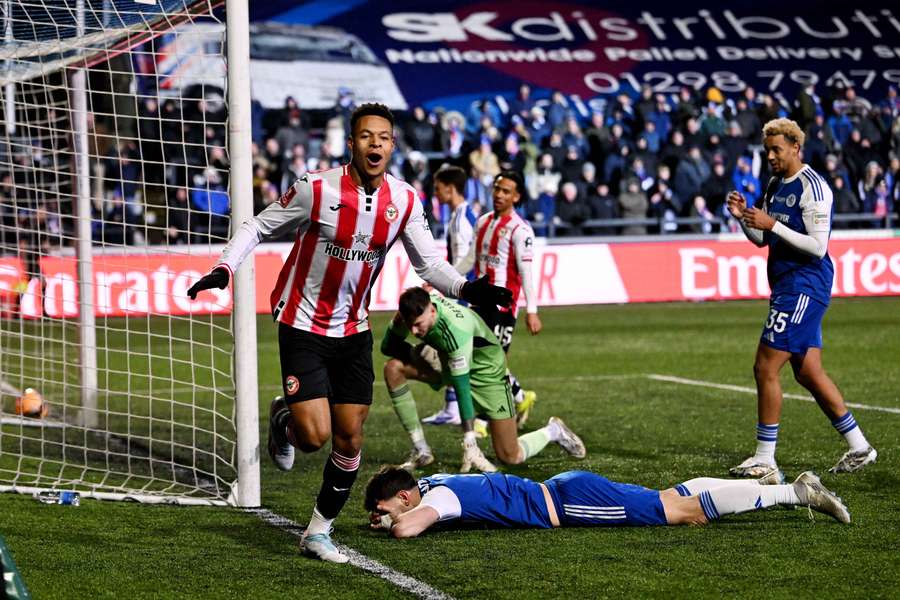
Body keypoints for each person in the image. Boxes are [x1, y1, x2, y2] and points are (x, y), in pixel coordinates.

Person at [185, 103, 511, 564]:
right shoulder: (316, 189)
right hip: (301, 322)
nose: (374, 144)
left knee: (350, 441)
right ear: (351, 143)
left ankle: (318, 532)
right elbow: (258, 226)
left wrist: (469, 288)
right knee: (314, 437)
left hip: (353, 328)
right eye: (365, 136)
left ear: (392, 145)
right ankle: (285, 418)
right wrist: (224, 267)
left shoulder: (404, 201)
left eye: (383, 137)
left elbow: (429, 264)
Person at [726, 117, 877, 478]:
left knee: (765, 367)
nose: (771, 157)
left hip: (805, 285)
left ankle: (766, 458)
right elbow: (764, 240)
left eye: (776, 150)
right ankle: (859, 446)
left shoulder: (814, 187)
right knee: (808, 371)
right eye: (767, 151)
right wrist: (744, 220)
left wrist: (772, 224)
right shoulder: (776, 183)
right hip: (786, 284)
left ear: (796, 147)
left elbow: (818, 246)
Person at [381, 287, 585, 472]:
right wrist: (410, 342)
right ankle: (421, 450)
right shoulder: (411, 314)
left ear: (432, 311)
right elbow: (387, 347)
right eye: (410, 325)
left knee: (510, 456)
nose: (414, 332)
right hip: (447, 361)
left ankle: (554, 431)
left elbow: (461, 389)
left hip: (487, 374)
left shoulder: (456, 331)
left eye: (418, 325)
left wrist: (470, 440)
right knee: (393, 368)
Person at [364, 466, 850, 539]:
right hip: (565, 488)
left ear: (405, 495)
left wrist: (393, 525)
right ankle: (766, 482)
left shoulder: (438, 496)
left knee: (686, 512)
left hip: (571, 504)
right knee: (673, 498)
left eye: (386, 507)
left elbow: (411, 527)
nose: (384, 516)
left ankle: (794, 492)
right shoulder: (432, 479)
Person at [454, 171, 540, 428]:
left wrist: (532, 311)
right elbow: (471, 259)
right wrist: (443, 276)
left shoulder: (521, 230)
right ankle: (520, 398)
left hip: (503, 306)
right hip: (478, 302)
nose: (499, 195)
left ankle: (482, 420)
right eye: (497, 189)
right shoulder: (482, 222)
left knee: (490, 361)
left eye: (506, 191)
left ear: (516, 196)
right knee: (477, 358)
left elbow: (526, 273)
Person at [420, 165, 478, 427]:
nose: (435, 192)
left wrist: (444, 283)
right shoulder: (457, 216)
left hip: (463, 296)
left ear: (450, 188)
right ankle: (452, 406)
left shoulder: (462, 220)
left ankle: (515, 393)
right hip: (459, 293)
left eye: (438, 187)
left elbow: (468, 262)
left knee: (447, 346)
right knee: (451, 348)